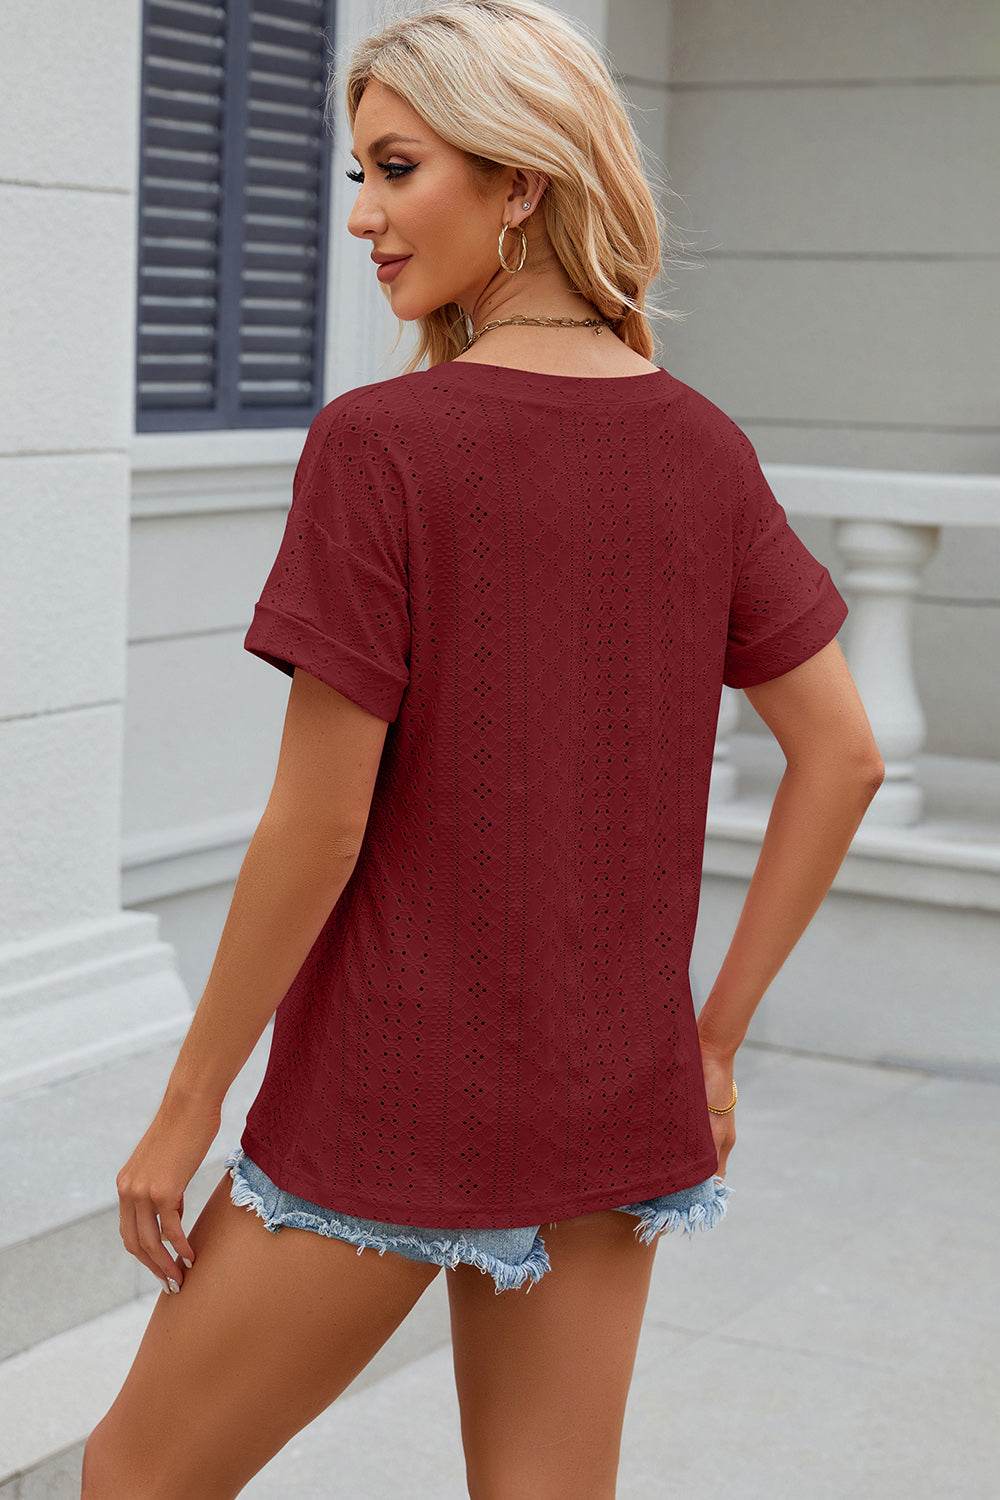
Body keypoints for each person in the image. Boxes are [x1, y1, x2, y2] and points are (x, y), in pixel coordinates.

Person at [82, 2, 882, 1495]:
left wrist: (185, 1110)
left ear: (521, 180)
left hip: (392, 1094)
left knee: (134, 1479)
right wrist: (709, 1044)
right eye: (360, 175)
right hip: (612, 1097)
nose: (361, 218)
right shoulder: (704, 447)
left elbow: (317, 828)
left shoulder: (383, 444)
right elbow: (843, 759)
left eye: (397, 169)